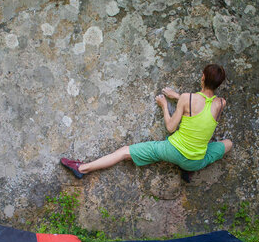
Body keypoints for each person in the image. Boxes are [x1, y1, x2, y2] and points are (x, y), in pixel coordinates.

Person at [61, 64, 233, 182]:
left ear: (202, 78)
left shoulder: (187, 98)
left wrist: (165, 105)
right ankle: (188, 169)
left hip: (172, 151)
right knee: (228, 144)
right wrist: (178, 96)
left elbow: (170, 127)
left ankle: (82, 169)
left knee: (124, 152)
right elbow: (203, 107)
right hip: (196, 161)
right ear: (218, 84)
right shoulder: (221, 104)